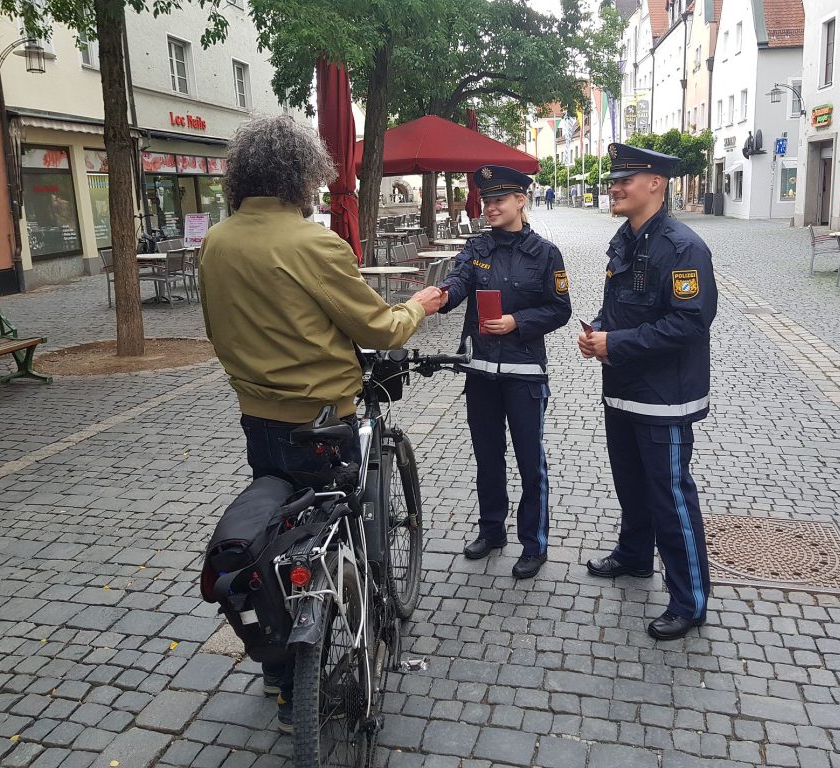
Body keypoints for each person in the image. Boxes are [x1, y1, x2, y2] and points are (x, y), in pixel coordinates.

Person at [198, 115, 444, 734]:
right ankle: (338, 640)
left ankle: (281, 673)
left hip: (258, 419)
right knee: (335, 537)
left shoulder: (218, 242)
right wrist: (419, 303)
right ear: (303, 174)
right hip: (324, 422)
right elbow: (378, 328)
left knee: (279, 535)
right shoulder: (314, 243)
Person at [578, 143, 717, 643]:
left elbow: (689, 321)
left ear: (656, 183)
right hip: (622, 387)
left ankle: (690, 599)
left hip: (664, 395)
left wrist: (615, 343)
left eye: (624, 180)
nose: (613, 187)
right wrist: (597, 329)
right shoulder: (626, 239)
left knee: (670, 496)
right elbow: (616, 305)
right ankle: (635, 556)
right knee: (631, 484)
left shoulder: (683, 248)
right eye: (612, 180)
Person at [439, 165, 572, 579]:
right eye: (486, 200)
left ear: (520, 201)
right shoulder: (476, 247)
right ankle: (492, 530)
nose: (490, 207)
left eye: (499, 199)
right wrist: (436, 297)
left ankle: (534, 543)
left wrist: (517, 322)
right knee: (487, 458)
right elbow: (459, 282)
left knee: (531, 462)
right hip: (481, 372)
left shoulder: (547, 253)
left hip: (525, 372)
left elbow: (560, 309)